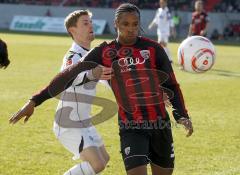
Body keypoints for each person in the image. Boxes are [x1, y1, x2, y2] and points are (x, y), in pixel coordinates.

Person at [10, 3, 193, 175]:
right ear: (116, 24)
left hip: (160, 125)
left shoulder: (153, 49)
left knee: (111, 162)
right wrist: (34, 100)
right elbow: (66, 76)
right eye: (125, 24)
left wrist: (181, 114)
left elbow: (171, 85)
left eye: (135, 24)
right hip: (131, 126)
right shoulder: (104, 51)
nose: (131, 28)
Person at [11, 10, 111, 175]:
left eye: (91, 22)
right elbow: (69, 77)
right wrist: (92, 74)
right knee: (96, 164)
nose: (91, 25)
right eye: (85, 23)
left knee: (104, 159)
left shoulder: (91, 55)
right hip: (68, 122)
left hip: (84, 122)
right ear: (73, 30)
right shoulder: (73, 56)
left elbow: (106, 79)